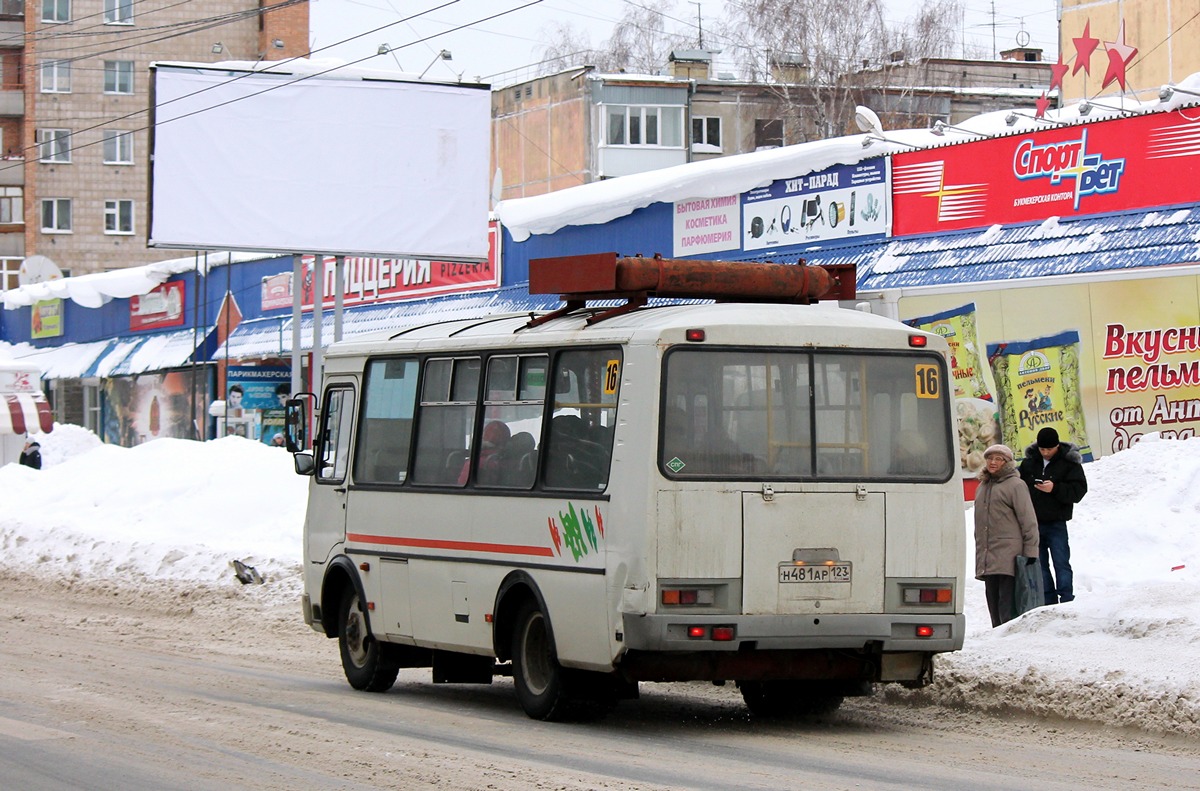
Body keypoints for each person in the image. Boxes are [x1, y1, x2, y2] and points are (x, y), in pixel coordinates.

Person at [1019, 426, 1088, 606]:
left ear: (1057, 446)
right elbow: (1019, 489)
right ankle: (1048, 600)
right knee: (1040, 564)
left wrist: (1055, 488)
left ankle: (1066, 598)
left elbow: (1079, 491)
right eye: (1042, 449)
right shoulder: (1029, 463)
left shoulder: (1069, 463)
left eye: (1049, 449)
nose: (1046, 453)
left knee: (1061, 562)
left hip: (1057, 522)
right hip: (1034, 523)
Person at [973, 444, 1039, 627]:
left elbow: (1028, 520)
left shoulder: (1016, 485)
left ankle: (1008, 640)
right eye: (990, 458)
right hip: (988, 555)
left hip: (1009, 556)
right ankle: (997, 637)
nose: (993, 462)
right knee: (992, 603)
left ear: (1007, 462)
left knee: (1006, 605)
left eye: (998, 459)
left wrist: (1031, 551)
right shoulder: (982, 486)